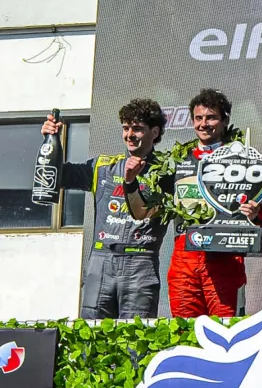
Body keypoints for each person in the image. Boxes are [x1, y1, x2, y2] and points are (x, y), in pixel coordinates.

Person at [130, 89, 262, 318]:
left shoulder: (244, 160)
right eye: (198, 118)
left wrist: (254, 215)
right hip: (185, 254)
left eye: (211, 117)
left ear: (225, 121)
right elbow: (145, 208)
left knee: (226, 330)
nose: (204, 124)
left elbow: (261, 219)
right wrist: (131, 182)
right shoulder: (177, 160)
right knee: (185, 331)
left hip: (224, 257)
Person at [40, 98, 168, 319]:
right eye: (126, 128)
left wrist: (131, 181)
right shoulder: (103, 165)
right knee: (92, 336)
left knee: (135, 340)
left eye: (137, 129)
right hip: (101, 259)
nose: (129, 135)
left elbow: (146, 212)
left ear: (154, 132)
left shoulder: (168, 171)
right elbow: (57, 177)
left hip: (140, 261)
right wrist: (50, 142)